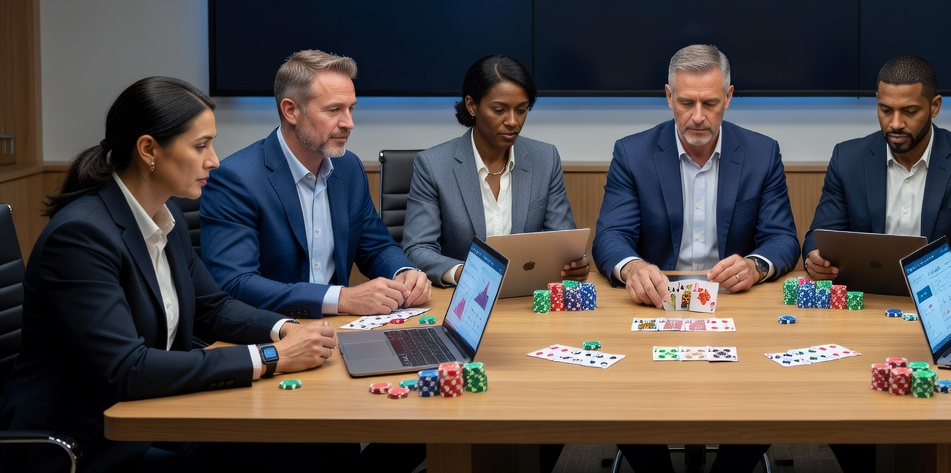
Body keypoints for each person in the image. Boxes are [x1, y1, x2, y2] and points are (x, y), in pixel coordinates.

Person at [0, 77, 339, 473]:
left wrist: (286, 330)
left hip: (152, 416)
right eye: (200, 146)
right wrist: (271, 357)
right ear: (148, 149)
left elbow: (213, 307)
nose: (214, 160)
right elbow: (128, 369)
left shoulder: (166, 214)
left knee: (303, 450)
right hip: (84, 444)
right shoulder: (81, 237)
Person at [592, 44, 798, 473]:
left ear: (729, 97)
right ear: (669, 97)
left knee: (774, 390)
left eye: (710, 103)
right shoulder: (632, 153)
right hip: (654, 304)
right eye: (687, 103)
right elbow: (611, 237)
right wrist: (633, 267)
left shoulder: (762, 153)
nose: (698, 117)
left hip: (737, 306)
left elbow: (782, 239)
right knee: (616, 392)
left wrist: (755, 265)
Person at [201, 50, 431, 319]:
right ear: (291, 110)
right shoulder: (236, 178)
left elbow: (376, 247)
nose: (349, 123)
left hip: (336, 327)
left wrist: (404, 272)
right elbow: (236, 283)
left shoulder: (349, 168)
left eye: (351, 108)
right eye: (334, 110)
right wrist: (341, 298)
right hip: (270, 330)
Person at [802, 54, 951, 286]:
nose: (895, 123)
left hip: (941, 294)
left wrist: (939, 274)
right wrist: (815, 259)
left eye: (909, 111)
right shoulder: (847, 159)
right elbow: (821, 236)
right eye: (886, 110)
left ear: (935, 106)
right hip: (868, 295)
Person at [402, 53, 588, 285]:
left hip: (525, 294)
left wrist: (573, 264)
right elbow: (418, 249)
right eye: (499, 110)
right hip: (463, 296)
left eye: (521, 110)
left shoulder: (545, 159)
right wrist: (465, 273)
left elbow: (563, 242)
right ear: (472, 105)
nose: (512, 121)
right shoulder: (433, 165)